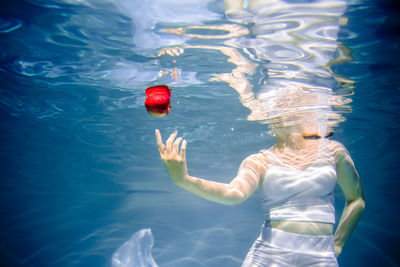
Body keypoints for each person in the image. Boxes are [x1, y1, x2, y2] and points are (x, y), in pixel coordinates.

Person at [155, 111, 365, 266]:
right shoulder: (260, 161)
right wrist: (183, 179)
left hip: (322, 259)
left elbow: (356, 199)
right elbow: (233, 194)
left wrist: (337, 244)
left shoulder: (333, 152)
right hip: (270, 257)